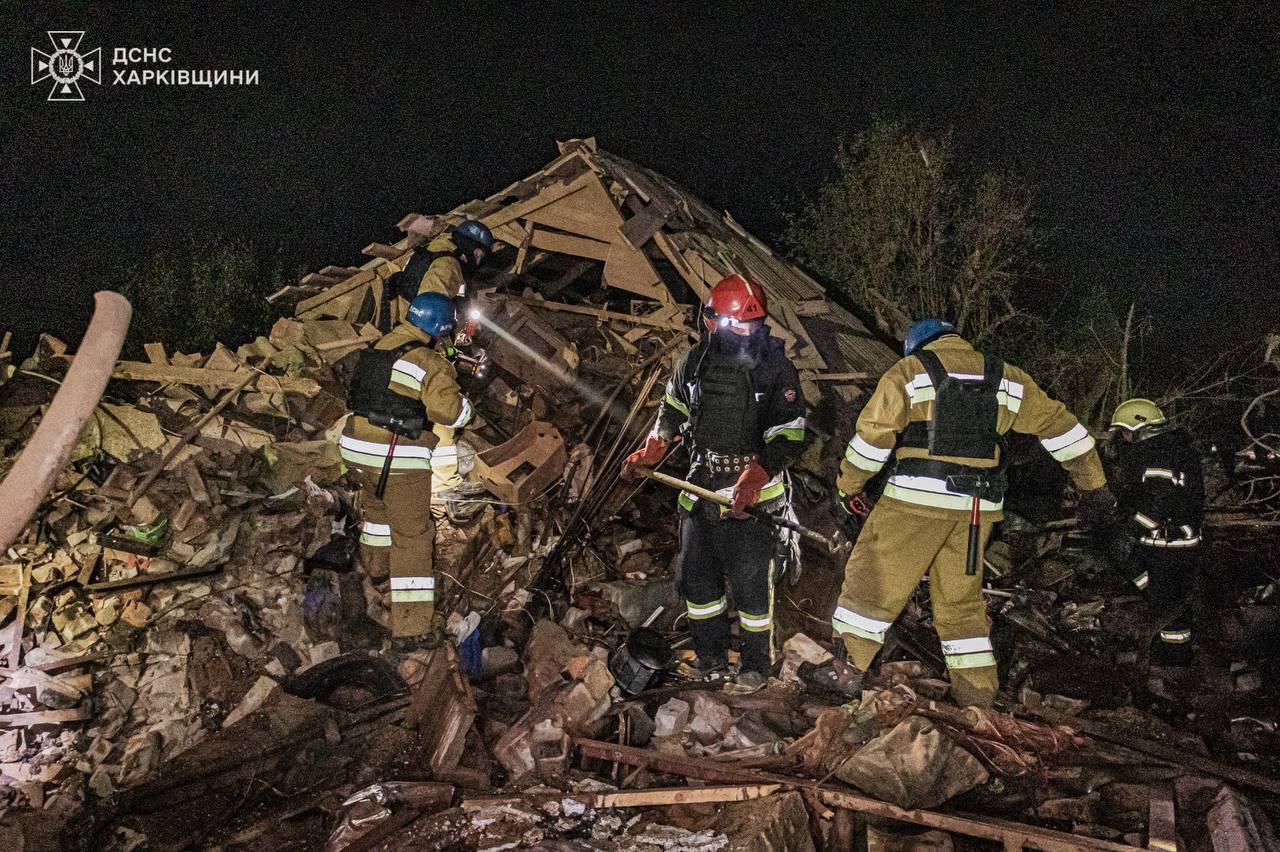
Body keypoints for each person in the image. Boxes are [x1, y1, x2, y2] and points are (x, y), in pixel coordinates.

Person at [817, 318, 1114, 707]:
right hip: (978, 510)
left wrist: (848, 485)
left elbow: (873, 439)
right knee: (961, 609)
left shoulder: (909, 371)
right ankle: (977, 699)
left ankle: (844, 673)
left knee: (870, 585)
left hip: (915, 501)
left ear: (917, 346)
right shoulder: (1008, 377)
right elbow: (1065, 430)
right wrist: (1095, 486)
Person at [621, 274, 807, 690]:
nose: (747, 332)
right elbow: (671, 412)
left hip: (755, 504)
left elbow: (790, 434)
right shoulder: (693, 362)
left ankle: (756, 666)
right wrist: (652, 450)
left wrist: (754, 478)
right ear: (713, 322)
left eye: (754, 325)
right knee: (698, 582)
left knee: (752, 590)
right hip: (700, 491)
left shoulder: (777, 369)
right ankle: (710, 657)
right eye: (737, 324)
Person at [340, 292, 474, 644]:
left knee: (378, 513)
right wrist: (466, 407)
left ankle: (376, 571)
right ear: (442, 328)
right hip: (396, 456)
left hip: (355, 448)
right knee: (412, 536)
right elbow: (449, 412)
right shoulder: (429, 361)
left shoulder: (379, 348)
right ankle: (412, 627)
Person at [391, 219, 493, 496]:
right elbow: (432, 313)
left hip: (409, 342)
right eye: (480, 253)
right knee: (443, 417)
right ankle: (444, 486)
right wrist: (447, 353)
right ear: (470, 246)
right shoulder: (447, 265)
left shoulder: (431, 253)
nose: (479, 259)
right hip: (421, 346)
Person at [1106, 398, 1204, 667]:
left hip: (1170, 545)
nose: (1124, 439)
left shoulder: (1159, 455)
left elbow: (1160, 502)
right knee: (1165, 599)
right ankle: (1169, 654)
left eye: (1126, 432)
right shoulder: (1170, 450)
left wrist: (1131, 531)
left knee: (1167, 605)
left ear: (1141, 429)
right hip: (1172, 542)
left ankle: (1173, 663)